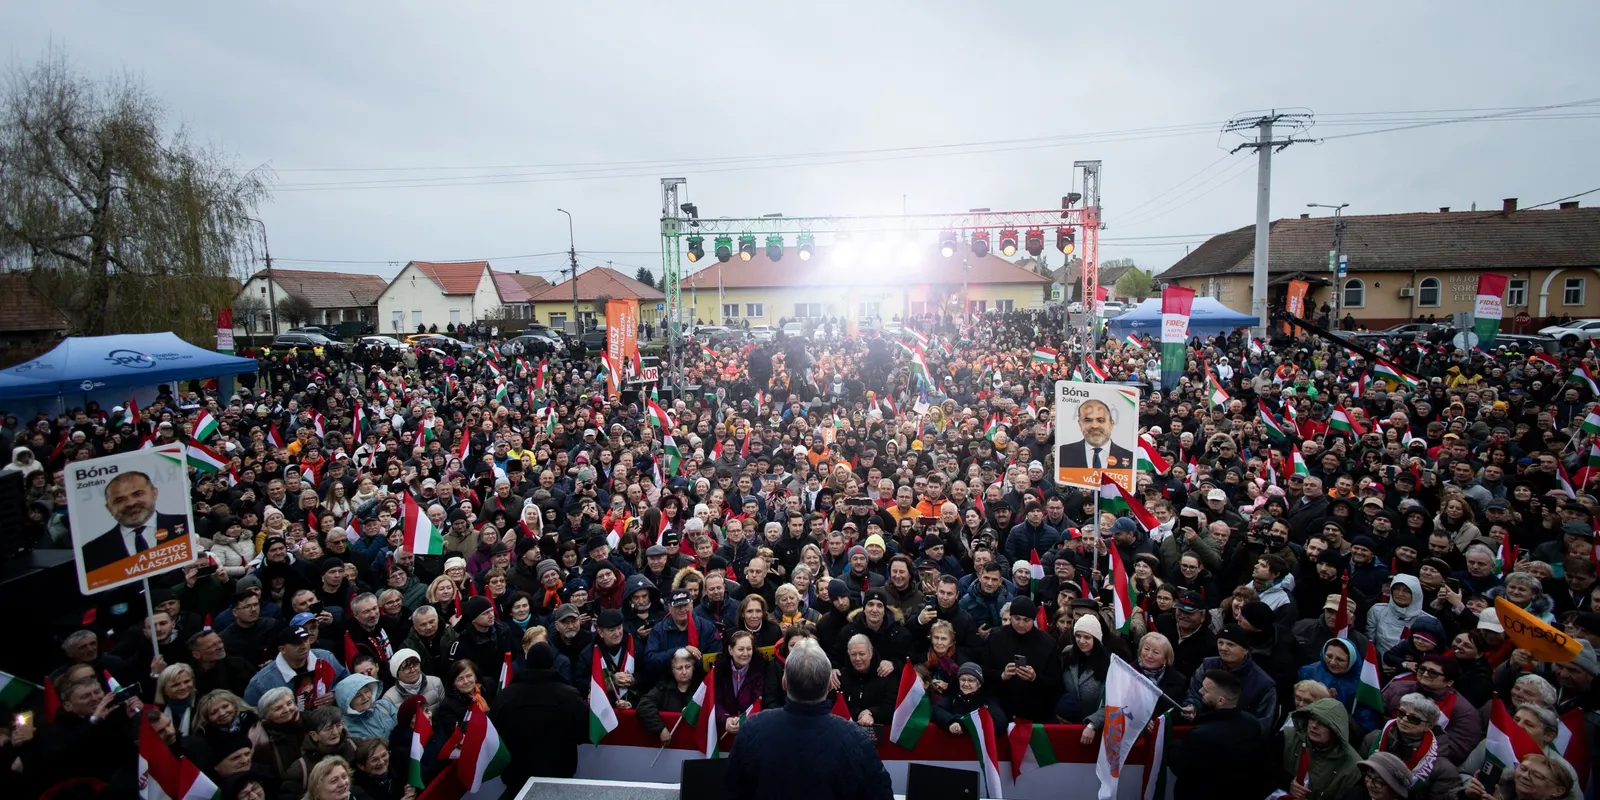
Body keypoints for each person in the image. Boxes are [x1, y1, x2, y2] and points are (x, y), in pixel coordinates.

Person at [723, 638, 894, 799]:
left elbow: (732, 791)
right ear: (829, 685)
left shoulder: (753, 729)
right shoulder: (857, 739)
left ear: (784, 683)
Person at [489, 642, 588, 783]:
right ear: (551, 661)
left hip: (516, 772)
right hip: (559, 770)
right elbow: (584, 731)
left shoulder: (506, 696)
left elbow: (494, 731)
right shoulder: (568, 695)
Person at [1168, 669, 1269, 800]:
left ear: (1221, 700)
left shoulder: (1201, 734)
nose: (1200, 692)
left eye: (1206, 690)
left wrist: (1172, 745)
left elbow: (1181, 766)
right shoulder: (1252, 723)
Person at [79, 470, 190, 573]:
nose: (130, 503)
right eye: (119, 500)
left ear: (154, 493)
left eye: (138, 494)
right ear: (109, 508)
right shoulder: (92, 551)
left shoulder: (187, 523)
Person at [1279, 697, 1362, 800]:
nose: (1314, 726)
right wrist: (1288, 782)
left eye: (1322, 723)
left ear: (1335, 730)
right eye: (1313, 719)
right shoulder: (1289, 736)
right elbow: (1261, 764)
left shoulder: (1353, 767)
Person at [1056, 399, 1132, 470]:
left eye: (1100, 420)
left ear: (1111, 424)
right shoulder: (1063, 453)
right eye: (1088, 420)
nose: (1094, 426)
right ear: (1080, 424)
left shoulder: (1130, 457)